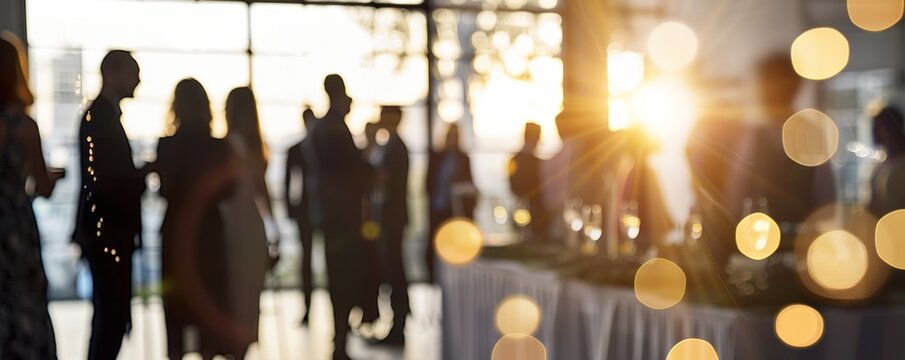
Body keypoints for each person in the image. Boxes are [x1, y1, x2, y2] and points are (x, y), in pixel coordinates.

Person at [157, 78, 248, 359]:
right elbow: (229, 190)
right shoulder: (218, 146)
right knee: (208, 307)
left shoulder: (167, 145)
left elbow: (165, 190)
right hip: (209, 233)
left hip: (175, 234)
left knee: (176, 310)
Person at [73, 50, 146, 360]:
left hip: (105, 233)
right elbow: (106, 181)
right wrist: (141, 176)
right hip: (108, 234)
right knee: (111, 319)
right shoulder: (100, 118)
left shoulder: (99, 116)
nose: (139, 81)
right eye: (134, 73)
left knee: (108, 318)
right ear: (114, 74)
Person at [0, 33, 62, 360]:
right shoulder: (23, 126)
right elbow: (43, 187)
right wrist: (52, 177)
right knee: (25, 300)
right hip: (15, 228)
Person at [730, 54, 835, 241]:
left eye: (766, 84)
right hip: (761, 242)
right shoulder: (755, 136)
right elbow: (737, 195)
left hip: (802, 242)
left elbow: (826, 197)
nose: (761, 93)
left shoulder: (810, 133)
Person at [309, 74, 372, 360]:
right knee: (344, 278)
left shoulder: (323, 128)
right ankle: (341, 343)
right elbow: (350, 169)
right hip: (342, 217)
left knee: (339, 278)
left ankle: (341, 340)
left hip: (330, 214)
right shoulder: (335, 129)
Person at [371, 106, 411, 345]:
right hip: (391, 217)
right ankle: (397, 323)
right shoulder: (392, 146)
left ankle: (399, 325)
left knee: (395, 271)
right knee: (394, 270)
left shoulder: (396, 147)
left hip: (392, 218)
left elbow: (385, 178)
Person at [425, 124, 476, 283]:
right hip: (438, 208)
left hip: (455, 209)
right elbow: (428, 183)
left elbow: (469, 184)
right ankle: (435, 276)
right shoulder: (436, 157)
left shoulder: (463, 158)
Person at [285, 107, 320, 325]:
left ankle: (308, 309)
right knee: (308, 259)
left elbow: (289, 182)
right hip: (311, 209)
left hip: (307, 210)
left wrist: (292, 207)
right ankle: (308, 307)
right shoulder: (312, 149)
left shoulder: (299, 149)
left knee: (307, 259)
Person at [509, 122, 547, 241]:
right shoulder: (537, 162)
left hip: (529, 210)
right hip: (532, 210)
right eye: (538, 136)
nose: (540, 140)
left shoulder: (514, 159)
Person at [868, 106, 905, 217]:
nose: (886, 132)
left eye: (890, 127)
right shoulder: (880, 162)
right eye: (881, 127)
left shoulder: (901, 161)